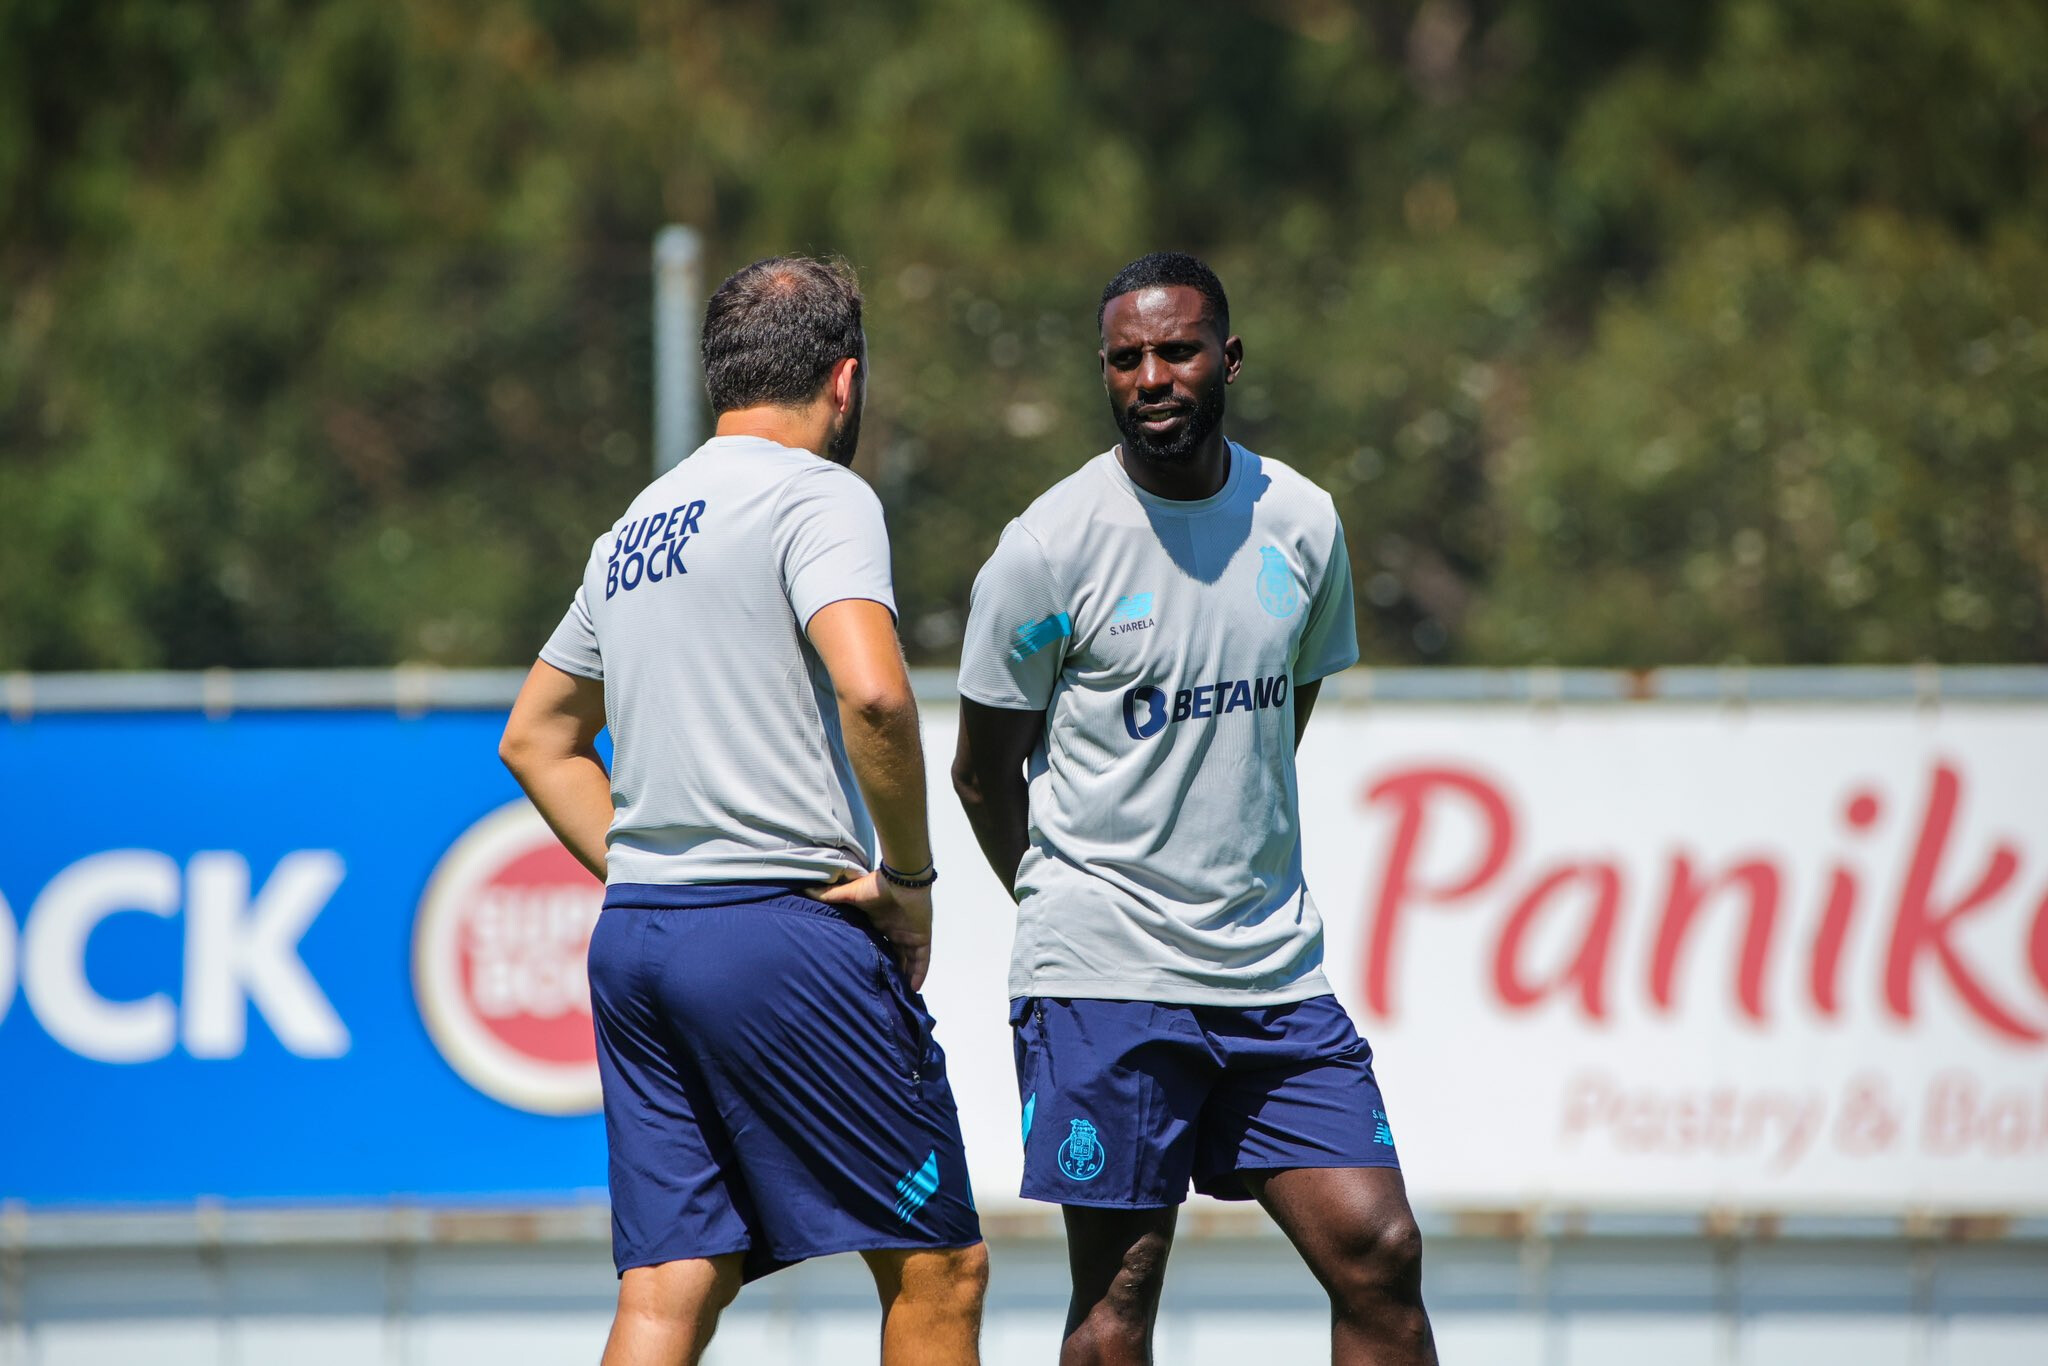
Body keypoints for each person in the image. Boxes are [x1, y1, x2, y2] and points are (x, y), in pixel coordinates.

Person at [951, 252, 1437, 1365]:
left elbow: (1282, 713)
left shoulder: (1303, 522)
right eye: (1124, 359)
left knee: (1380, 1252)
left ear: (1228, 357)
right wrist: (1073, 900)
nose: (1150, 377)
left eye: (1175, 351)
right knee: (1119, 1296)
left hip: (1271, 973)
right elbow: (983, 772)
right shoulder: (1046, 548)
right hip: (1107, 976)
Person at [500, 255, 987, 1366]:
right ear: (846, 381)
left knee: (673, 1281)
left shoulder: (635, 526)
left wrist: (644, 869)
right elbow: (873, 692)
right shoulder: (819, 494)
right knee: (936, 1263)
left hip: (638, 946)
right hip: (778, 934)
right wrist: (907, 882)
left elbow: (534, 736)